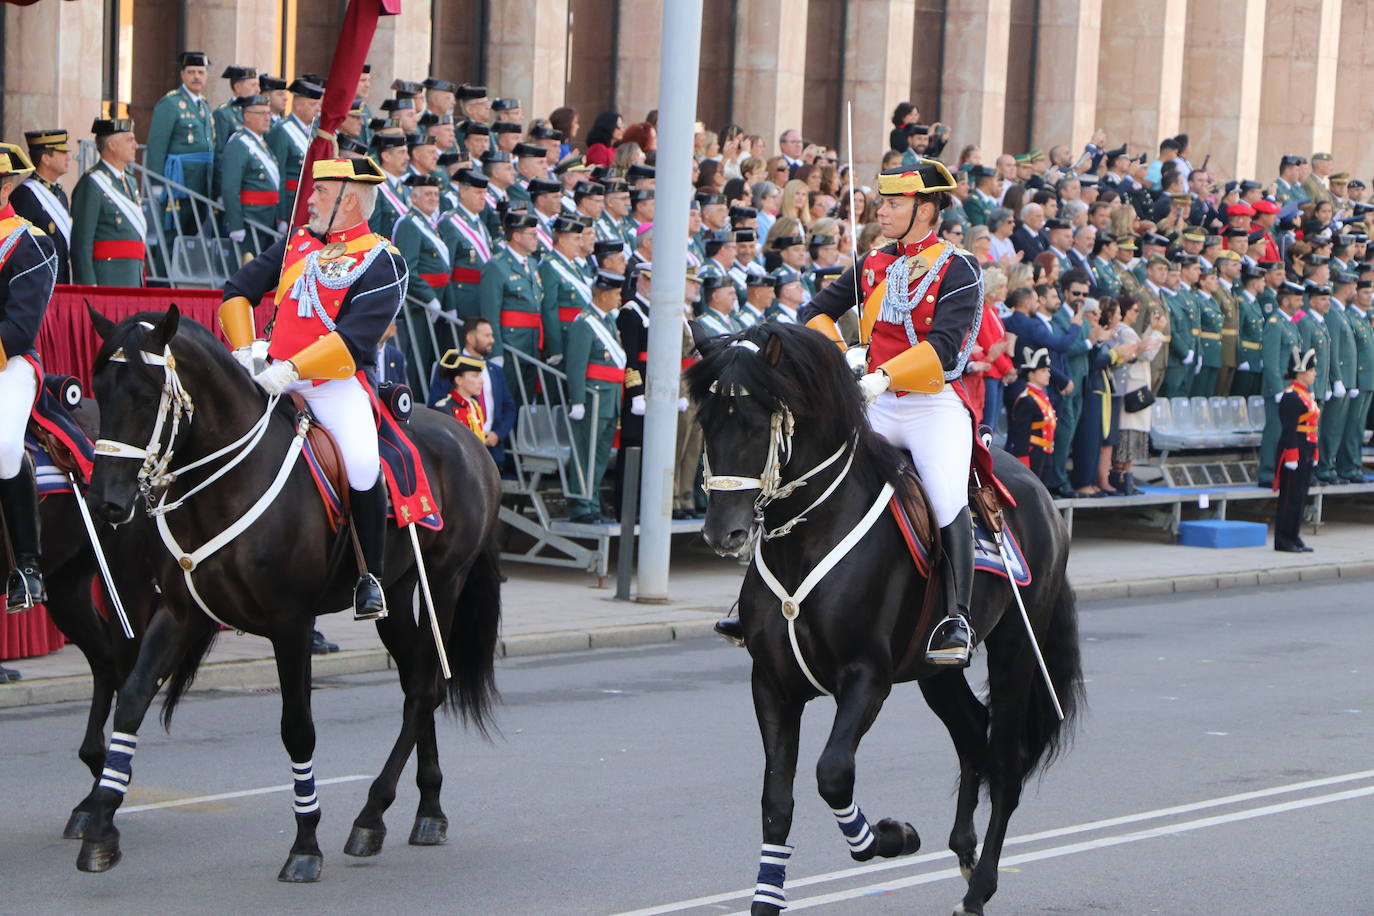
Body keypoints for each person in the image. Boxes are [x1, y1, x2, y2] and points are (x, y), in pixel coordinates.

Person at [797, 160, 984, 667]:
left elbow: (947, 347)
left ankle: (957, 617)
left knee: (945, 496)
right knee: (806, 474)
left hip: (930, 404)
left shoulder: (958, 267)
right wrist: (844, 353)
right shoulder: (873, 262)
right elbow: (812, 312)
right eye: (882, 202)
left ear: (926, 210)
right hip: (873, 400)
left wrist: (883, 376)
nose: (881, 211)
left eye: (893, 204)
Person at [219, 157, 406, 620]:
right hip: (267, 372)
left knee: (363, 465)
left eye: (322, 192)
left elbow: (354, 339)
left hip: (332, 384)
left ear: (349, 200)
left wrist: (291, 372)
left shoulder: (383, 259)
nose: (311, 198)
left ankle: (370, 577)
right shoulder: (295, 244)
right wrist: (245, 349)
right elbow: (237, 291)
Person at [0, 142, 58, 610]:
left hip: (9, 362)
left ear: (6, 186)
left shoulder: (30, 242)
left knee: (2, 446)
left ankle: (28, 566)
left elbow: (19, 328)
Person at [564, 270, 627, 523]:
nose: (620, 297)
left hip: (609, 399)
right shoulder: (584, 323)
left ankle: (590, 500)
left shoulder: (608, 320)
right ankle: (580, 505)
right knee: (585, 453)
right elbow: (576, 365)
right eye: (617, 293)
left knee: (599, 456)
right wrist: (577, 400)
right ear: (603, 295)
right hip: (592, 399)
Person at [70, 117, 145, 286]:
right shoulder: (92, 183)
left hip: (132, 278)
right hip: (107, 281)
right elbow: (81, 245)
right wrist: (89, 288)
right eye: (130, 140)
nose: (136, 145)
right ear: (112, 145)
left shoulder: (130, 181)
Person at [479, 211, 544, 405]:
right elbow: (490, 313)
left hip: (531, 345)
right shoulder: (497, 266)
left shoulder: (531, 263)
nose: (537, 239)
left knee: (523, 403)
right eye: (532, 234)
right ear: (516, 236)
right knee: (506, 402)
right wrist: (496, 351)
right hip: (510, 345)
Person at [145, 51, 215, 229]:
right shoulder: (171, 103)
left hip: (201, 182)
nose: (196, 77)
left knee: (192, 235)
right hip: (179, 183)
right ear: (182, 74)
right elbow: (157, 145)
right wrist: (157, 183)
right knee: (172, 234)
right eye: (191, 72)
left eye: (200, 72)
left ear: (206, 75)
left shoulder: (204, 105)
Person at [1112, 295, 1164, 494]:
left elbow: (1143, 347)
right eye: (1133, 310)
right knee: (1127, 437)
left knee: (1133, 437)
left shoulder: (1129, 330)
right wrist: (1157, 332)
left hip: (1137, 386)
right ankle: (1121, 478)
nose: (1136, 313)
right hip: (1131, 388)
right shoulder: (1123, 331)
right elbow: (1145, 352)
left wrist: (1153, 331)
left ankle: (1128, 477)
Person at [219, 94, 280, 257]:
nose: (267, 118)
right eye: (262, 114)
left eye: (268, 113)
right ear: (247, 116)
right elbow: (230, 188)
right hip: (250, 219)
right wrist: (236, 225)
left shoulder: (262, 143)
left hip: (268, 217)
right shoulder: (238, 143)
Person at [1258, 281, 1306, 483]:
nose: (1301, 302)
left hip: (1289, 388)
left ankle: (1280, 469)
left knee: (1287, 431)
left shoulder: (1289, 324)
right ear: (1285, 301)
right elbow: (1270, 360)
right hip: (1277, 388)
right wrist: (1278, 389)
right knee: (1274, 430)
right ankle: (1267, 472)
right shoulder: (1275, 323)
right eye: (1297, 299)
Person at [1273, 347, 1319, 552]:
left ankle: (1294, 535)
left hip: (1306, 448)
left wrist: (1315, 451)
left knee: (1300, 495)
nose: (1314, 374)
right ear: (1301, 372)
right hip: (1295, 449)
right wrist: (1291, 454)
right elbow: (1289, 429)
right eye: (1311, 370)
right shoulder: (1291, 396)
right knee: (1289, 496)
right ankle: (1283, 539)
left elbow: (1312, 426)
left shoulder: (1305, 395)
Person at [11, 130, 72, 283]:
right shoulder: (25, 195)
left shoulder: (59, 193)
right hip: (36, 282)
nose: (69, 157)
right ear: (46, 158)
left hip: (59, 279)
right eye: (62, 152)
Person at [266, 78, 324, 227]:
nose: (318, 109)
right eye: (313, 104)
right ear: (298, 105)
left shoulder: (313, 131)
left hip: (308, 200)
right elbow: (279, 175)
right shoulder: (282, 130)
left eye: (318, 104)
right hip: (291, 203)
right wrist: (281, 216)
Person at [393, 173, 453, 317]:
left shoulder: (430, 224)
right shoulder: (409, 224)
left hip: (440, 297)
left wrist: (451, 304)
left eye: (436, 194)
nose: (433, 198)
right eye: (428, 194)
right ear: (414, 198)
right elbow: (407, 268)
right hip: (421, 303)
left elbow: (445, 266)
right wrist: (430, 298)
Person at [539, 214, 594, 360]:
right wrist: (556, 348)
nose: (580, 244)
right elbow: (549, 308)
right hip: (566, 336)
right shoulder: (549, 266)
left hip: (579, 333)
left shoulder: (573, 265)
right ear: (562, 240)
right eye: (576, 239)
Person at [1005, 347, 1057, 483]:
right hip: (1033, 454)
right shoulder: (1026, 399)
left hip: (1044, 453)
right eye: (1043, 371)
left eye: (1048, 371)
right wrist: (1023, 462)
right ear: (1031, 373)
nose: (1048, 374)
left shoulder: (1040, 396)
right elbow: (1021, 434)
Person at [434, 351, 489, 443]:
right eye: (475, 376)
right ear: (459, 380)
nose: (482, 381)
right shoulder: (444, 408)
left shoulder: (475, 406)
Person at [212, 65, 260, 156]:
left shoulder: (257, 113)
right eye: (253, 85)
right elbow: (220, 153)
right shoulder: (224, 114)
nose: (258, 90)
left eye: (258, 85)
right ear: (237, 87)